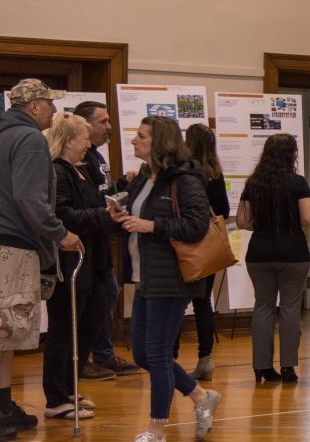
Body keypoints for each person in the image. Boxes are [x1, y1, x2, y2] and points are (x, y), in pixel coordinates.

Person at [111, 116, 220, 442]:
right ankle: (201, 396)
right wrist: (121, 217)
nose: (133, 140)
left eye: (141, 136)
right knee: (144, 355)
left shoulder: (185, 179)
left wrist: (152, 226)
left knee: (156, 353)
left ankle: (157, 429)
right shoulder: (145, 178)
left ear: (159, 142)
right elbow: (138, 218)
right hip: (146, 275)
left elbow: (197, 224)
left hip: (171, 278)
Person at [0, 79, 84, 438]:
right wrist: (59, 233)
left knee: (6, 333)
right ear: (33, 106)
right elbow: (31, 199)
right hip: (14, 246)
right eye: (50, 103)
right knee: (8, 329)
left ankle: (4, 405)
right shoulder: (31, 140)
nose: (54, 110)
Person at [42, 114, 114, 420]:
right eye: (84, 139)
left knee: (90, 322)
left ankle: (69, 386)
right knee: (64, 328)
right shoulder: (58, 171)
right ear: (69, 141)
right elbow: (65, 216)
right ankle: (56, 397)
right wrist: (105, 216)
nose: (89, 144)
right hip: (71, 264)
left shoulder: (80, 171)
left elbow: (88, 209)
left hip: (92, 262)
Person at [237, 133, 310, 383]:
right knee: (291, 309)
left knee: (263, 307)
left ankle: (261, 367)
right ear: (291, 154)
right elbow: (308, 218)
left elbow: (243, 221)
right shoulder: (298, 182)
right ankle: (288, 367)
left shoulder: (254, 183)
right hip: (293, 253)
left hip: (259, 253)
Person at [72, 100, 141, 379]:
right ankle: (86, 357)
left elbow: (104, 192)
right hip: (84, 240)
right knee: (93, 300)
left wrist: (122, 184)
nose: (110, 127)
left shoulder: (97, 157)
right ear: (85, 124)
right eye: (103, 121)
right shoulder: (78, 159)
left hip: (101, 238)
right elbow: (86, 200)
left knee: (107, 295)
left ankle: (102, 354)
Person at [178, 124, 230, 381]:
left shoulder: (184, 171)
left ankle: (171, 356)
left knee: (176, 301)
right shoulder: (215, 173)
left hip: (185, 243)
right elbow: (223, 210)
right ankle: (205, 357)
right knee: (203, 302)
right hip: (209, 247)